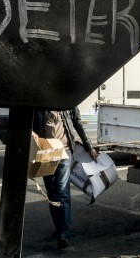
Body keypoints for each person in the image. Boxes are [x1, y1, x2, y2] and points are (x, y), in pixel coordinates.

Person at [32, 107, 98, 249]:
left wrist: (89, 146)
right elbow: (31, 126)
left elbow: (77, 123)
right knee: (51, 192)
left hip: (64, 151)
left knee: (61, 191)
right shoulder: (38, 104)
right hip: (45, 152)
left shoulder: (69, 102)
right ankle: (58, 227)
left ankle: (63, 232)